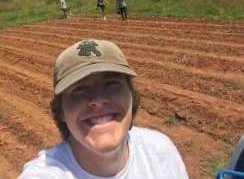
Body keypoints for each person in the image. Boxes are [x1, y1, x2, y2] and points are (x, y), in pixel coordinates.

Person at [18, 39, 189, 179]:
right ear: (60, 110)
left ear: (132, 95)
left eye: (112, 83)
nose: (98, 100)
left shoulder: (160, 150)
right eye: (80, 89)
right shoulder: (45, 174)